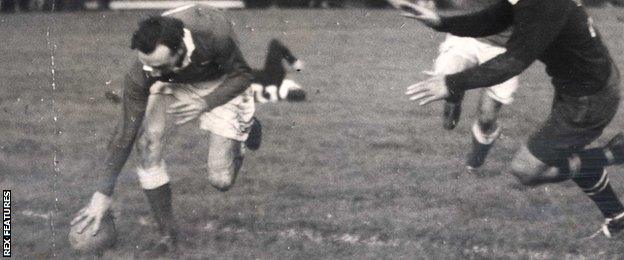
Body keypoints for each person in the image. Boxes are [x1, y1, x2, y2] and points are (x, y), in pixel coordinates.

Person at [390, 0, 624, 237]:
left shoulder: (543, 5)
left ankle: (615, 154)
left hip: (589, 98)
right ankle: (616, 214)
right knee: (564, 158)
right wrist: (440, 22)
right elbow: (490, 20)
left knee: (527, 170)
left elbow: (513, 61)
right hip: (582, 89)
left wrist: (452, 82)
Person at [70, 4, 261, 256]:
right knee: (147, 144)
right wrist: (102, 193)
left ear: (180, 49)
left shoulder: (215, 34)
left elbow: (243, 75)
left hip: (220, 79)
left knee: (221, 180)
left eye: (157, 65)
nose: (151, 71)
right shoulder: (146, 71)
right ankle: (168, 235)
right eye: (147, 64)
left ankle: (246, 132)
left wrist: (206, 103)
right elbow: (125, 133)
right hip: (172, 80)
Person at [431, 29, 517, 173]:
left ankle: (476, 161)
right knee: (447, 78)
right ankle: (454, 98)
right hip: (467, 37)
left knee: (487, 118)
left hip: (502, 47)